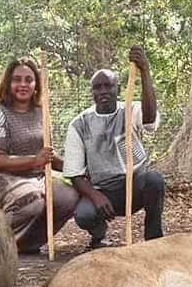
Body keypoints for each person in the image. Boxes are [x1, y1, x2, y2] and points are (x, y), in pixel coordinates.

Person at [63, 45, 165, 249]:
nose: (103, 92)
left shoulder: (130, 109)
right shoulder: (79, 124)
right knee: (84, 214)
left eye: (108, 86)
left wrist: (145, 71)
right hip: (103, 190)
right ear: (92, 92)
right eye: (98, 87)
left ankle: (153, 239)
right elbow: (74, 174)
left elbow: (150, 120)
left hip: (134, 184)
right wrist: (95, 195)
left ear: (117, 88)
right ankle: (98, 235)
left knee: (155, 180)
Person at [0, 57, 79, 254]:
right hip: (0, 178)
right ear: (8, 84)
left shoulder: (42, 114)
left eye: (29, 79)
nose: (23, 84)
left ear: (36, 85)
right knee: (32, 200)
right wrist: (35, 160)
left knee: (69, 197)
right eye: (17, 79)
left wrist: (79, 169)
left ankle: (26, 244)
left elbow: (48, 156)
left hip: (36, 178)